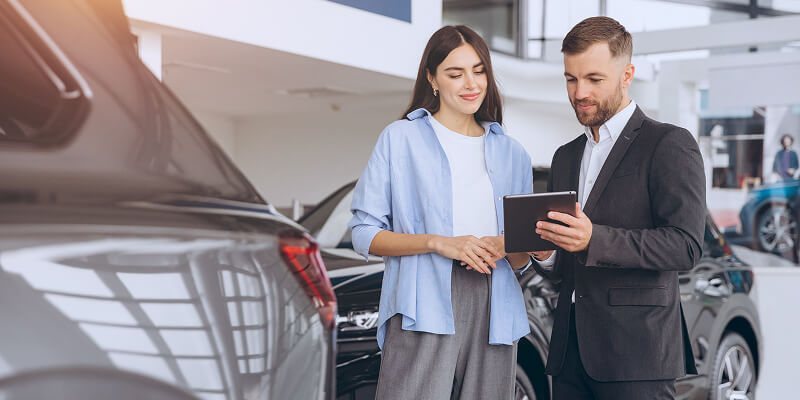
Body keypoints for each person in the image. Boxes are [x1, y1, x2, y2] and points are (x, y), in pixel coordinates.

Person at [348, 25, 533, 400]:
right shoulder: (400, 139)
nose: (471, 83)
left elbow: (521, 259)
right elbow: (363, 233)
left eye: (479, 71)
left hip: (495, 300)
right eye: (455, 73)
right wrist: (439, 243)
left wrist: (506, 244)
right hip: (423, 298)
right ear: (432, 78)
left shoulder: (513, 153)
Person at [527, 16, 704, 399]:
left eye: (594, 79)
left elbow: (686, 246)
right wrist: (546, 255)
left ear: (627, 75)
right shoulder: (565, 157)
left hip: (638, 354)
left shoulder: (669, 144)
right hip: (570, 354)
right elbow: (564, 270)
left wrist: (595, 239)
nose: (579, 92)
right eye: (571, 79)